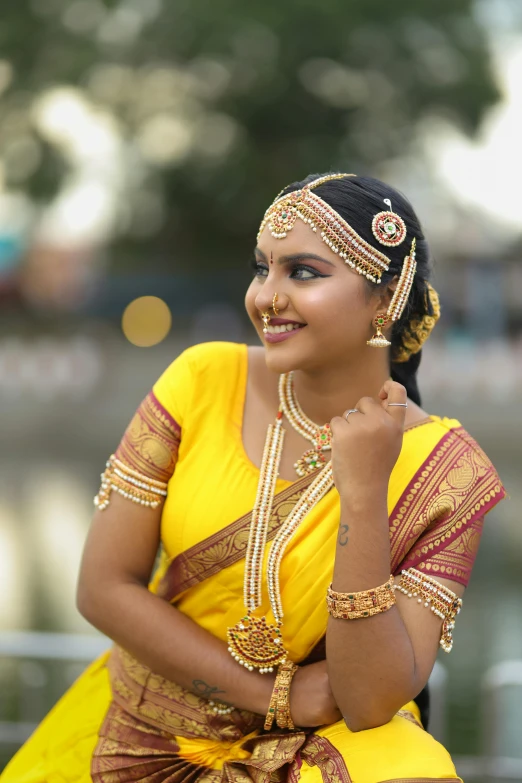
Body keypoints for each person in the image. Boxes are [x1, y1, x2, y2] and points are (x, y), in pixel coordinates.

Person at [1, 173, 506, 783]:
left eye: (304, 272)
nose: (267, 295)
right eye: (261, 267)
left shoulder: (447, 471)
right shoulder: (203, 381)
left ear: (388, 295)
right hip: (140, 731)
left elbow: (370, 702)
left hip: (314, 753)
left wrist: (366, 494)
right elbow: (103, 587)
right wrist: (276, 695)